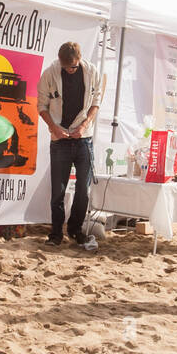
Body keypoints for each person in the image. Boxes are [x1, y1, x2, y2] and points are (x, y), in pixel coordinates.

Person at [39, 40, 103, 247]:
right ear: (59, 61)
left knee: (83, 190)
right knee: (58, 189)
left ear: (80, 59)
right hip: (60, 139)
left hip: (84, 139)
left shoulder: (92, 72)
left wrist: (84, 126)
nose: (69, 70)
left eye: (72, 67)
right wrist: (54, 128)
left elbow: (96, 103)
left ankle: (75, 230)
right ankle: (56, 233)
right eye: (65, 67)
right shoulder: (50, 73)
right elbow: (41, 106)